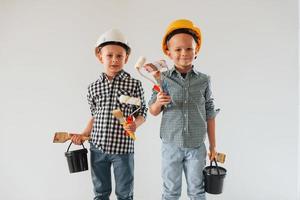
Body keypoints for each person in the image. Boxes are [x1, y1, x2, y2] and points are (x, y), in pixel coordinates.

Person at [71, 29, 147, 200]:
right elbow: (95, 117)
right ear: (100, 57)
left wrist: (136, 124)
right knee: (100, 193)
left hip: (123, 149)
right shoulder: (93, 87)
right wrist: (83, 134)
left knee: (124, 194)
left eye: (119, 56)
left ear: (126, 58)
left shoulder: (134, 85)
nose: (114, 59)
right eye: (109, 55)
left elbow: (142, 113)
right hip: (97, 148)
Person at [148, 19, 219, 200]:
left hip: (196, 145)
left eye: (189, 48)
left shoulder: (204, 80)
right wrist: (158, 102)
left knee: (197, 190)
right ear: (169, 53)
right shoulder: (162, 78)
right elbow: (153, 111)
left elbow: (210, 112)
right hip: (171, 144)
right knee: (171, 191)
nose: (184, 53)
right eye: (178, 49)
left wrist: (213, 145)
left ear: (196, 51)